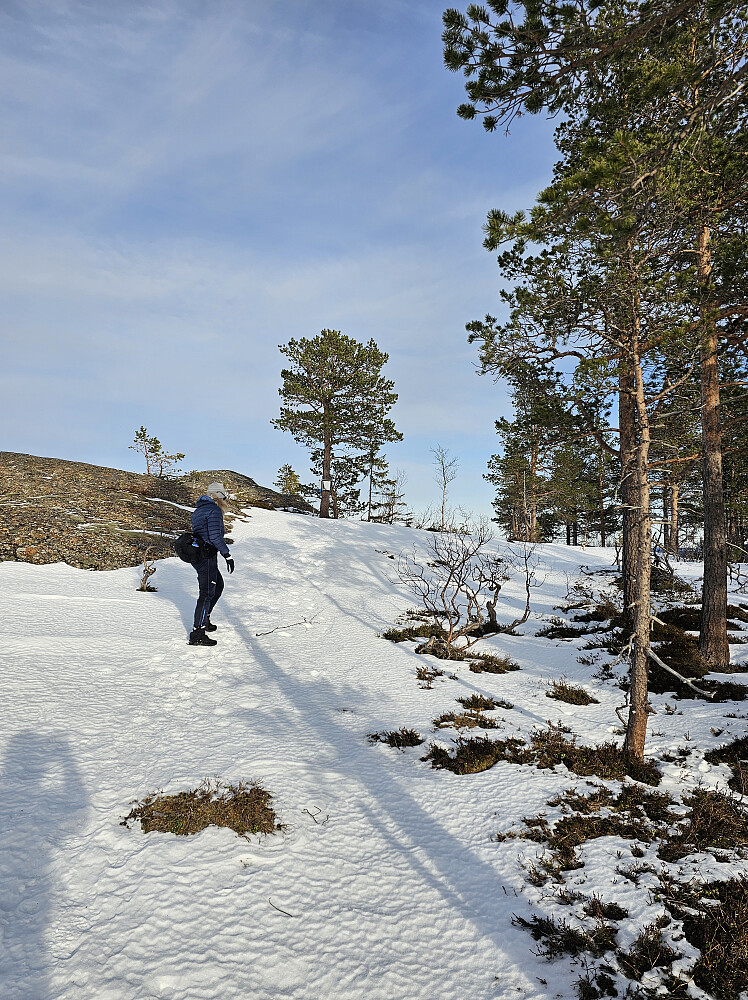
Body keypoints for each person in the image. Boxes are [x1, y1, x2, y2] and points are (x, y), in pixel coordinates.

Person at [188, 482, 235, 646]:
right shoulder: (213, 510)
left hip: (200, 555)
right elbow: (215, 537)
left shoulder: (199, 510)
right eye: (223, 496)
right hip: (206, 556)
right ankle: (197, 634)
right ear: (217, 496)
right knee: (207, 593)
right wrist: (227, 555)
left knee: (218, 585)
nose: (224, 500)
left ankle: (205, 617)